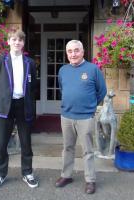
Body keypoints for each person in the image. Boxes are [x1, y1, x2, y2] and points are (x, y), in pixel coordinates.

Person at [0, 28, 38, 190]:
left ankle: (27, 173)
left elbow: (33, 86)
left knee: (26, 143)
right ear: (8, 41)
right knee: (2, 143)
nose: (17, 42)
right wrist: (3, 97)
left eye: (20, 40)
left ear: (23, 43)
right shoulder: (1, 60)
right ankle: (0, 174)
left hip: (23, 106)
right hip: (5, 107)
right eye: (14, 39)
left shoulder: (29, 63)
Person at [55, 40, 107, 194]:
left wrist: (90, 106)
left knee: (88, 150)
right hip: (66, 116)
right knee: (67, 148)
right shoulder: (63, 70)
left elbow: (102, 91)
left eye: (76, 50)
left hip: (86, 117)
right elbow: (62, 89)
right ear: (67, 54)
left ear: (83, 52)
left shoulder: (93, 69)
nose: (73, 54)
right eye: (70, 51)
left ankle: (90, 180)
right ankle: (66, 175)